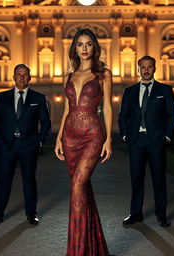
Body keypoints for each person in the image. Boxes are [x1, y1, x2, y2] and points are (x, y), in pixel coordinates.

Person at [55, 28, 113, 256]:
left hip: (92, 135)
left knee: (77, 184)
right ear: (75, 48)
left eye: (89, 44)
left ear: (94, 47)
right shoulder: (67, 77)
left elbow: (107, 107)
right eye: (80, 44)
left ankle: (76, 252)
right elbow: (66, 109)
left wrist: (108, 139)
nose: (85, 48)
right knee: (82, 189)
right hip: (69, 137)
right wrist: (59, 137)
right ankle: (93, 247)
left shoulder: (104, 74)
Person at [118, 56, 174, 227]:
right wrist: (124, 135)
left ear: (154, 68)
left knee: (159, 180)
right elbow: (123, 116)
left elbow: (172, 115)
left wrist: (167, 136)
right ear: (138, 69)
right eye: (143, 67)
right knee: (136, 179)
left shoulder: (165, 90)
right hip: (136, 141)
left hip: (156, 142)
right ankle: (135, 214)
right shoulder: (130, 91)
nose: (146, 70)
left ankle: (161, 215)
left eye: (149, 67)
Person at [0, 64, 51, 226]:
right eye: (19, 74)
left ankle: (31, 214)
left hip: (28, 146)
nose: (22, 77)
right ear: (14, 77)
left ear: (29, 78)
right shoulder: (2, 97)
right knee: (3, 181)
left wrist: (39, 141)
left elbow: (46, 123)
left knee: (29, 181)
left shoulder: (38, 98)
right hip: (7, 146)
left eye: (25, 75)